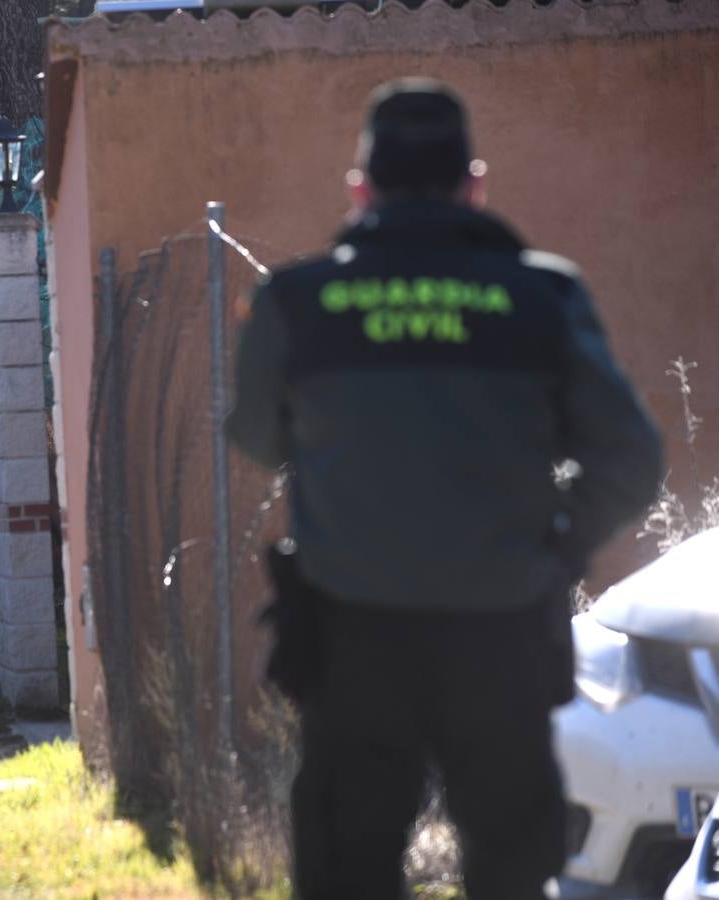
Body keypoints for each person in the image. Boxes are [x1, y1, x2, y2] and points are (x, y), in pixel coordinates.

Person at [225, 78, 662, 900]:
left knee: (348, 872)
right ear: (476, 184)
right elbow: (632, 457)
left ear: (362, 190)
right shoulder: (544, 296)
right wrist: (557, 544)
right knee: (508, 870)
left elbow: (255, 433)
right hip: (502, 638)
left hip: (350, 642)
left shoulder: (298, 301)